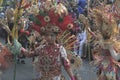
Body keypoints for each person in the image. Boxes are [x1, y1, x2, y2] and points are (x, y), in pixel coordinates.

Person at [21, 0, 76, 80]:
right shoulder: (41, 48)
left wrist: (72, 78)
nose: (49, 37)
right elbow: (29, 54)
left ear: (56, 36)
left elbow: (66, 65)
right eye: (47, 35)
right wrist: (20, 48)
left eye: (52, 35)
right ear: (44, 36)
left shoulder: (60, 49)